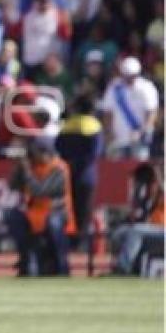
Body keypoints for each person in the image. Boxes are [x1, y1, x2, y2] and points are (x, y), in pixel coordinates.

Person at [6, 138, 76, 276]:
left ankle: (61, 267)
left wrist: (26, 171)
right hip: (33, 213)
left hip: (57, 212)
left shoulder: (59, 168)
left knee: (53, 223)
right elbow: (13, 186)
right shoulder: (31, 166)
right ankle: (26, 260)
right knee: (13, 217)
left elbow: (40, 191)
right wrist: (18, 169)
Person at [55, 95, 102, 249]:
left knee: (69, 209)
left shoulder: (67, 125)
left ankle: (66, 242)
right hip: (86, 174)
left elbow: (59, 147)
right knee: (84, 210)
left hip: (67, 173)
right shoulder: (94, 126)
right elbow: (95, 152)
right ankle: (79, 244)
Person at [111, 162, 164, 275]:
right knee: (120, 233)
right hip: (150, 233)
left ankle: (123, 268)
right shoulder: (145, 198)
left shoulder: (162, 194)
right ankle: (133, 268)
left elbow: (157, 221)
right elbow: (138, 218)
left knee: (135, 231)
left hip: (161, 231)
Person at [100, 56, 158, 159]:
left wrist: (143, 131)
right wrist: (108, 132)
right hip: (117, 138)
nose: (129, 78)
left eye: (132, 75)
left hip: (138, 138)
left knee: (139, 167)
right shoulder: (114, 87)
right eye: (126, 75)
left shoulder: (147, 87)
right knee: (116, 170)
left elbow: (151, 112)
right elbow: (107, 111)